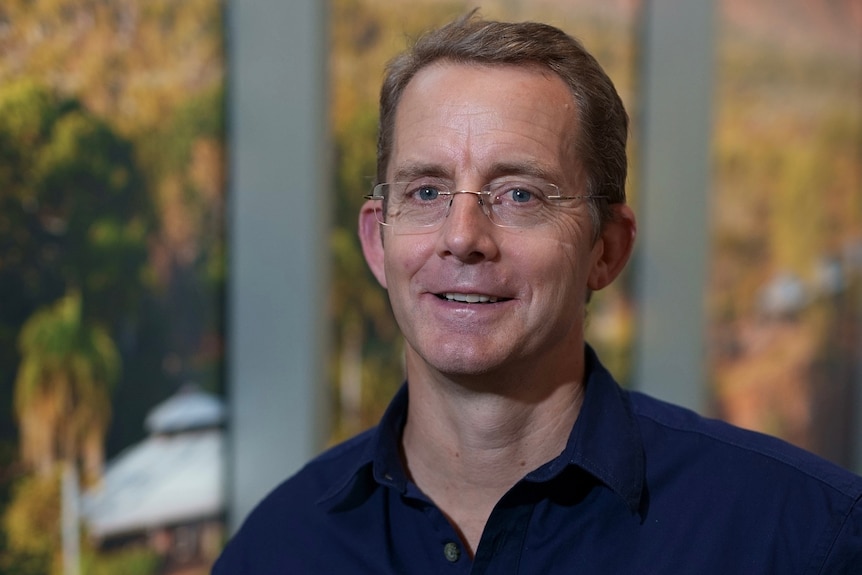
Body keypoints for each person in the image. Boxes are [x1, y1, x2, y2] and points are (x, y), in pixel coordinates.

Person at [214, 12, 862, 574]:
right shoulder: (277, 549)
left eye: (519, 194)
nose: (463, 237)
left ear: (606, 247)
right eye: (426, 192)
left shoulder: (802, 537)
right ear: (378, 240)